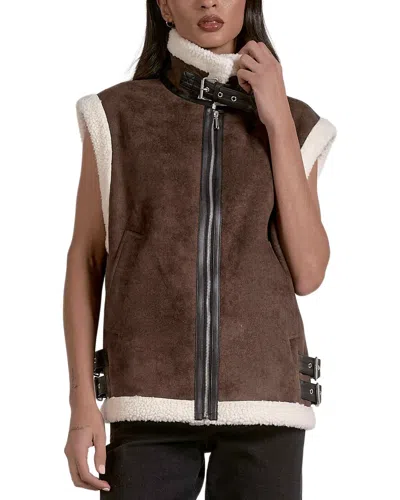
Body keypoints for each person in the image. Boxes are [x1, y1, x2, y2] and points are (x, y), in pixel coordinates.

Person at [63, 1, 337, 498]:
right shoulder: (117, 115)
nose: (209, 1)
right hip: (147, 400)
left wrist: (277, 121)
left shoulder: (297, 122)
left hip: (264, 401)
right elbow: (87, 260)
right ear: (165, 6)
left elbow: (309, 272)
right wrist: (82, 404)